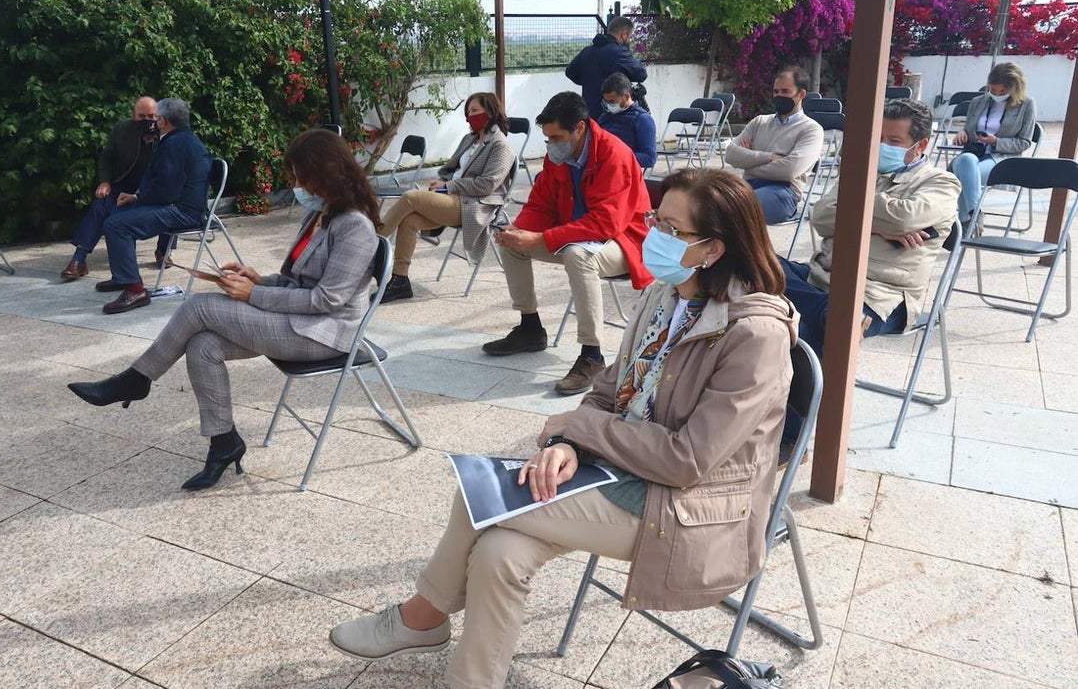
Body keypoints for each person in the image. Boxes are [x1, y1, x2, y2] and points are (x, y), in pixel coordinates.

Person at [328, 168, 798, 689]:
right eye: (654, 220)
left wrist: (583, 429)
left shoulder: (755, 334)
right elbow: (609, 389)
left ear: (714, 249)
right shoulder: (666, 295)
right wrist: (570, 441)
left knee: (481, 499)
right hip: (621, 468)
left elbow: (688, 460)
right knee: (499, 553)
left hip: (688, 505)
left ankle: (423, 615)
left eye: (671, 229)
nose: (653, 235)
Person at [67, 129, 381, 490]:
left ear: (325, 174)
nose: (298, 186)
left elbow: (326, 300)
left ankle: (136, 380)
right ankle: (224, 442)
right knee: (203, 346)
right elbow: (296, 281)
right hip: (298, 320)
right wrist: (258, 280)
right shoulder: (322, 215)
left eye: (301, 177)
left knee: (200, 307)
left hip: (326, 333)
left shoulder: (355, 226)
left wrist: (252, 295)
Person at [485, 91, 651, 396]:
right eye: (547, 138)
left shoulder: (615, 154)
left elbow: (606, 223)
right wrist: (520, 230)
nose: (551, 144)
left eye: (556, 136)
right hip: (575, 235)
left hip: (624, 242)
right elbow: (541, 204)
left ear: (580, 128)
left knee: (578, 255)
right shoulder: (558, 157)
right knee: (511, 243)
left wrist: (542, 237)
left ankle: (592, 355)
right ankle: (530, 328)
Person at [779, 97, 960, 357]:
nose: (883, 146)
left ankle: (811, 391)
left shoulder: (941, 183)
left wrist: (853, 205)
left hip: (880, 294)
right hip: (822, 276)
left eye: (894, 141)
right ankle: (825, 310)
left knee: (796, 329)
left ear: (921, 146)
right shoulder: (862, 170)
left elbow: (904, 218)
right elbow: (820, 216)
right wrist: (878, 228)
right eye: (880, 138)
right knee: (750, 263)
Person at [378, 93, 515, 303]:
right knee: (409, 220)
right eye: (468, 112)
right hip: (452, 198)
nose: (470, 116)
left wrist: (448, 186)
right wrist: (442, 185)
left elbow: (486, 185)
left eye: (475, 110)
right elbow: (452, 169)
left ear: (491, 111)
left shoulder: (500, 146)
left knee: (410, 197)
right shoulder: (469, 140)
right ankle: (400, 280)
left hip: (474, 204)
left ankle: (370, 245)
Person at [94, 98, 212, 314]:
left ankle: (135, 289)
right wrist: (136, 198)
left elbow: (167, 190)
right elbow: (163, 184)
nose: (153, 122)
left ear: (162, 121)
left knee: (117, 225)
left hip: (183, 212)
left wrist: (140, 199)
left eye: (156, 118)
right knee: (116, 213)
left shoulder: (175, 144)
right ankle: (124, 277)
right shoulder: (180, 139)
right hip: (181, 206)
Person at [60, 96, 176, 280]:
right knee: (100, 206)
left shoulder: (168, 135)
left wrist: (140, 194)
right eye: (141, 116)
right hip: (124, 182)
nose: (147, 121)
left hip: (154, 186)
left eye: (152, 116)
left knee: (169, 202)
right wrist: (105, 181)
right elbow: (107, 157)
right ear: (133, 115)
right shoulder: (122, 129)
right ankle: (79, 259)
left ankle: (163, 251)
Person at [724, 65, 824, 224]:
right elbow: (730, 154)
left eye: (785, 91)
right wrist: (768, 156)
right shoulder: (759, 122)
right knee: (706, 202)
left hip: (784, 192)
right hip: (748, 186)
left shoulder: (811, 129)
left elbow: (789, 170)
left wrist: (748, 163)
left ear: (801, 94)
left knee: (736, 209)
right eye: (776, 91)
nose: (779, 96)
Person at [950, 61, 1037, 225]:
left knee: (965, 174)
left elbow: (1024, 142)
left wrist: (996, 141)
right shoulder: (978, 102)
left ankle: (966, 222)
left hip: (1002, 158)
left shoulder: (1026, 105)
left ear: (1014, 88)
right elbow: (969, 130)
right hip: (974, 153)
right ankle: (974, 215)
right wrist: (963, 132)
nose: (997, 94)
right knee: (965, 161)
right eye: (993, 89)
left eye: (1003, 91)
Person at [565, 16, 647, 119]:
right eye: (630, 36)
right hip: (612, 114)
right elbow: (641, 74)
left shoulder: (588, 51)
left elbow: (570, 72)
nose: (629, 40)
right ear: (624, 34)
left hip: (588, 113)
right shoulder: (618, 52)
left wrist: (590, 81)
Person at [596, 72, 657, 169]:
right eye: (606, 101)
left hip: (625, 171)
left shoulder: (642, 119)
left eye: (612, 101)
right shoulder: (605, 117)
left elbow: (649, 158)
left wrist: (616, 156)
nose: (609, 105)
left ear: (627, 96)